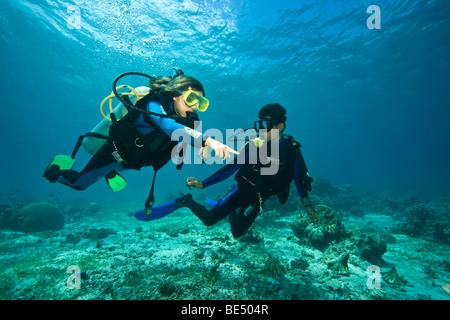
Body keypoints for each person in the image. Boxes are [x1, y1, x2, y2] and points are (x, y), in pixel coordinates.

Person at [43, 69, 238, 210]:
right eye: (191, 99)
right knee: (79, 184)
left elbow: (189, 129)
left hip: (132, 161)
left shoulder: (186, 116)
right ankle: (54, 171)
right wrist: (209, 142)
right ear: (174, 95)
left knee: (108, 171)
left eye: (201, 103)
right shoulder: (154, 104)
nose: (195, 106)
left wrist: (201, 146)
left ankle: (109, 173)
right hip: (116, 153)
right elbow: (170, 127)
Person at [136, 103, 320, 238]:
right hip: (241, 190)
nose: (261, 130)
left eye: (266, 125)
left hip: (259, 198)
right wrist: (203, 184)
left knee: (237, 233)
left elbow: (299, 179)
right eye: (260, 125)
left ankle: (227, 209)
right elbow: (230, 169)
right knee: (208, 220)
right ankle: (186, 201)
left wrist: (308, 207)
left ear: (280, 126)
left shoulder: (292, 150)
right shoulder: (253, 147)